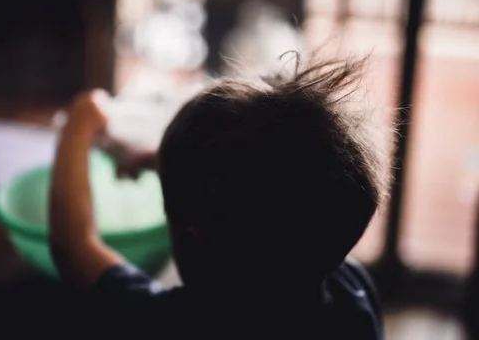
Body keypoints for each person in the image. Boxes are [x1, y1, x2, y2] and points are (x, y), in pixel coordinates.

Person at [49, 58, 386, 338]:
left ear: (192, 245)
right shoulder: (350, 290)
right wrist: (163, 161)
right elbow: (270, 185)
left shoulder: (174, 323)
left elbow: (74, 248)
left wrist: (78, 125)